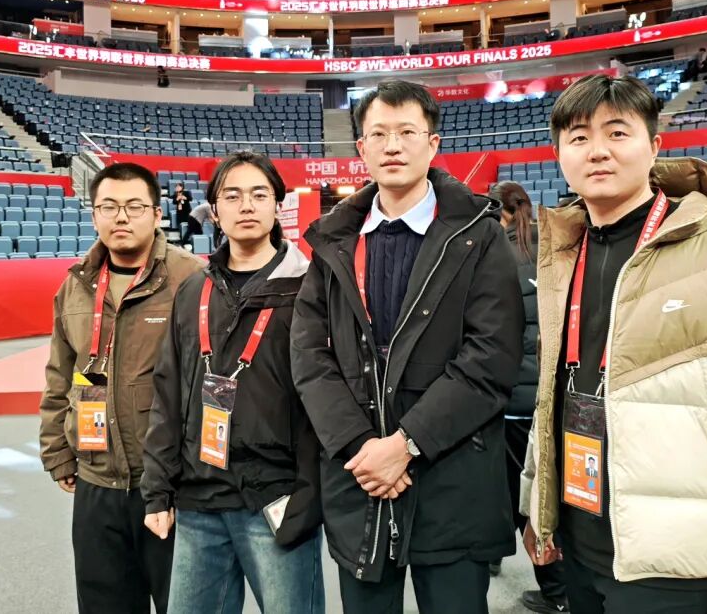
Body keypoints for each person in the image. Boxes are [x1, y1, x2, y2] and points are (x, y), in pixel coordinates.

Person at [522, 74, 707, 614]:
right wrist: (538, 506)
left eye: (617, 133)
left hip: (678, 566)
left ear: (655, 146)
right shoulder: (564, 255)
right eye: (579, 137)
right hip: (580, 544)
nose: (598, 151)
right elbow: (554, 394)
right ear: (558, 154)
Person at [290, 80, 524, 614]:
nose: (392, 145)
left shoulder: (479, 234)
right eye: (378, 134)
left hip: (453, 474)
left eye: (406, 132)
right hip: (362, 481)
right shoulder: (332, 241)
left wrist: (406, 444)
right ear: (361, 148)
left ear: (433, 143)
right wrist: (361, 447)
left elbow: (490, 357)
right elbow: (309, 355)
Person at [142, 151, 324, 614]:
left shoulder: (309, 288)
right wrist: (158, 489)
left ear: (277, 206)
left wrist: (311, 491)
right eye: (232, 195)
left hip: (276, 498)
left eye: (259, 195)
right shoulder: (193, 289)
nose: (246, 205)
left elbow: (325, 399)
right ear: (215, 209)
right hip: (199, 497)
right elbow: (168, 391)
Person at [39, 162, 203, 614]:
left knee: (184, 605)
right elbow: (60, 375)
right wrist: (57, 451)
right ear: (94, 214)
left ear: (156, 214)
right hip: (97, 483)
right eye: (109, 207)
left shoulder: (191, 279)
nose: (122, 217)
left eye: (134, 206)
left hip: (174, 486)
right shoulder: (75, 285)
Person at [490, 180, 568, 614]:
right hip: (554, 395)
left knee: (519, 497)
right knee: (546, 491)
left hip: (512, 400)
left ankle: (556, 592)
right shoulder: (556, 246)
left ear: (499, 212)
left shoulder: (497, 252)